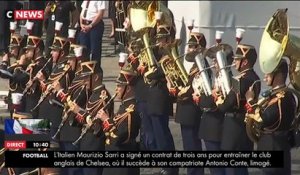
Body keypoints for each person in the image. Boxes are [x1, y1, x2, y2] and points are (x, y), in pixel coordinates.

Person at [213, 43, 261, 175]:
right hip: (243, 128)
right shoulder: (254, 77)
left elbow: (226, 105)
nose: (234, 62)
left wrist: (218, 99)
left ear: (245, 62)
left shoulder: (242, 80)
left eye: (237, 59)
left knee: (233, 170)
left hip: (234, 129)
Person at [245, 59, 296, 175]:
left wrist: (250, 101)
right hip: (273, 146)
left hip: (274, 147)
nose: (264, 78)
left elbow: (262, 120)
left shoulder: (282, 98)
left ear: (278, 75)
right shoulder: (278, 95)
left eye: (268, 74)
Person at [168, 32, 205, 175]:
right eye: (189, 46)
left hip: (191, 112)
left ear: (200, 48)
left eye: (192, 47)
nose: (189, 49)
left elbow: (191, 89)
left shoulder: (200, 66)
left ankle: (195, 172)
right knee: (189, 146)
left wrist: (178, 90)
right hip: (187, 112)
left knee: (192, 146)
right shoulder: (195, 65)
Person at [96, 66, 140, 175]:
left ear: (128, 88)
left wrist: (106, 120)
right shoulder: (123, 106)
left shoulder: (131, 110)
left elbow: (121, 137)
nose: (116, 89)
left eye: (119, 86)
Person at [0, 34, 28, 117]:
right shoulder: (17, 63)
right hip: (14, 99)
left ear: (20, 48)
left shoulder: (25, 63)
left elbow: (4, 74)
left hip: (21, 101)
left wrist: (4, 62)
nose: (11, 50)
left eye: (13, 48)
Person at [79, 0, 105, 67]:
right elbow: (82, 12)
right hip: (84, 26)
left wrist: (90, 25)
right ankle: (84, 69)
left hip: (95, 26)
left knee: (95, 50)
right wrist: (81, 24)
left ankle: (95, 70)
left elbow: (100, 14)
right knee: (83, 49)